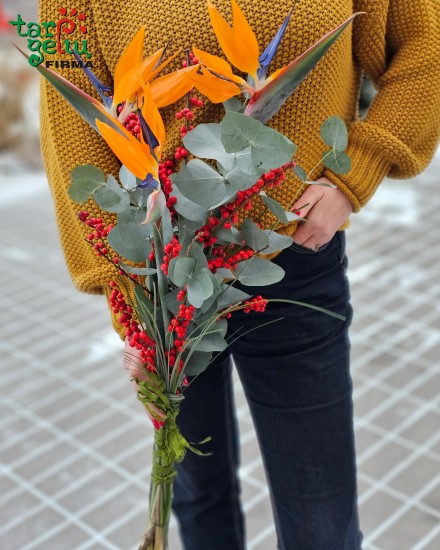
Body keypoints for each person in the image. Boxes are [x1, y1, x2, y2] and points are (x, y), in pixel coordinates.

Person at [39, 1, 440, 548]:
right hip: (162, 285)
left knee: (320, 520)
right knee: (196, 498)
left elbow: (425, 46)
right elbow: (70, 129)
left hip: (290, 261)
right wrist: (129, 301)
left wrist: (358, 172)